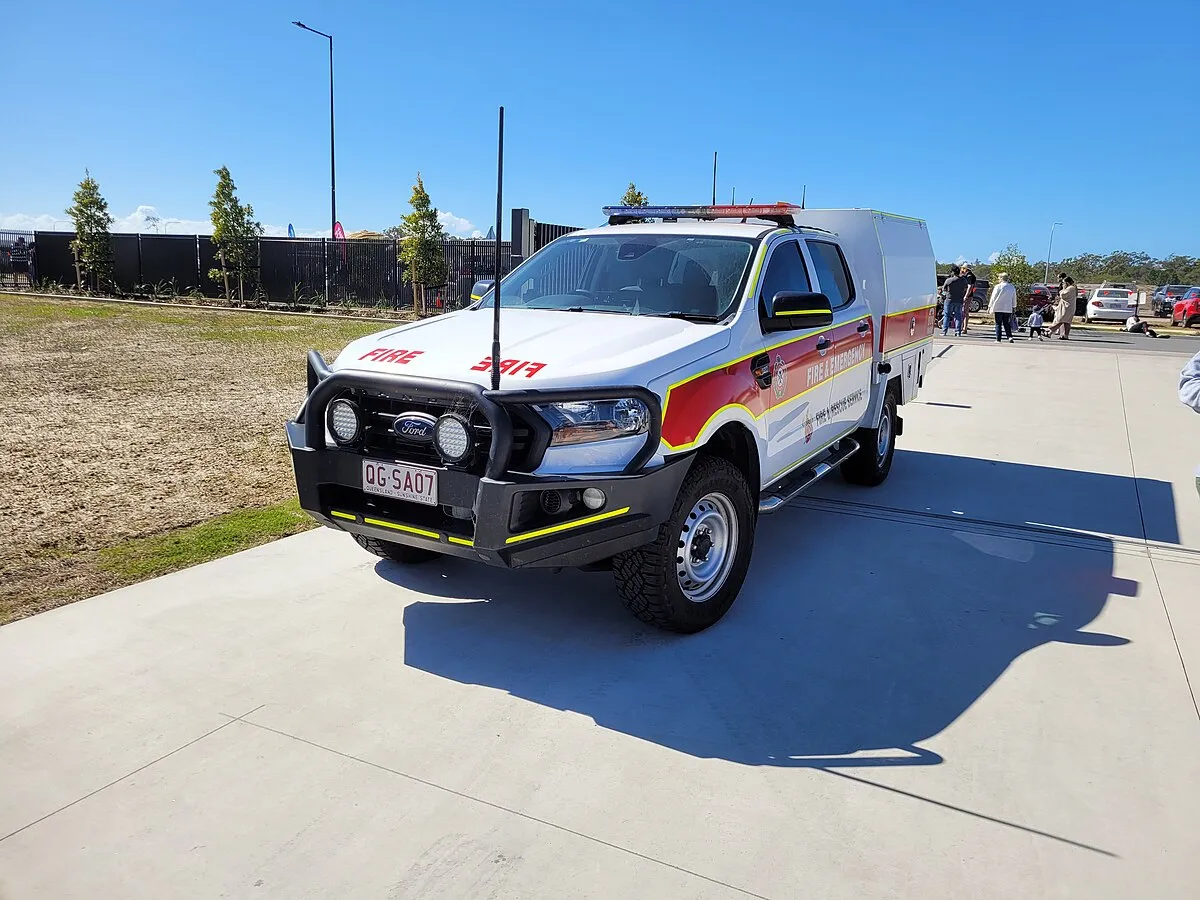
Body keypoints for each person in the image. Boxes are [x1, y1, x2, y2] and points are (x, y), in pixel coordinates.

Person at [941, 265, 969, 336]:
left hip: (949, 300)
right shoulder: (963, 280)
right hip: (959, 300)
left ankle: (944, 331)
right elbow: (965, 289)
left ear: (953, 272)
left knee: (947, 316)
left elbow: (944, 289)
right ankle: (958, 332)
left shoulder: (949, 280)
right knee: (958, 316)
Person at [988, 272, 1017, 342]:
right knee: (1006, 323)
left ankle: (998, 339)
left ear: (1001, 278)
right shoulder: (1011, 287)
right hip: (1007, 308)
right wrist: (1014, 306)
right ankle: (1009, 336)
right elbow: (1014, 297)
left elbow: (993, 297)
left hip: (998, 307)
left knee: (998, 323)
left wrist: (990, 306)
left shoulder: (998, 286)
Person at [1047, 274, 1077, 339]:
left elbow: (1063, 295)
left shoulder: (1071, 288)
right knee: (1067, 322)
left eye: (1063, 283)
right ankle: (1065, 335)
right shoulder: (1071, 288)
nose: (1063, 284)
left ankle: (1049, 332)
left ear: (1067, 283)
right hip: (1067, 307)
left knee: (1060, 320)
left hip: (1066, 308)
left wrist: (1063, 289)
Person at [960, 264, 978, 333]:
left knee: (965, 311)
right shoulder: (965, 276)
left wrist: (966, 296)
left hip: (967, 296)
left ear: (965, 269)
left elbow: (970, 287)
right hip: (964, 295)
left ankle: (964, 328)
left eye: (963, 268)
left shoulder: (970, 276)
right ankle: (962, 326)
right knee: (963, 311)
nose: (961, 269)